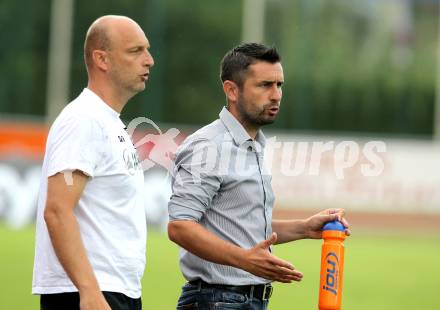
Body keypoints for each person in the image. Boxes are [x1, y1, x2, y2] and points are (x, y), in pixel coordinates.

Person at [167, 43, 350, 309]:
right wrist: (244, 259)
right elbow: (180, 226)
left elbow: (240, 226)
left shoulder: (253, 144)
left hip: (245, 300)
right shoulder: (209, 147)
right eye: (265, 85)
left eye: (279, 85)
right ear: (231, 90)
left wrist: (304, 227)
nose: (276, 95)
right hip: (216, 300)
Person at [32, 15, 154, 310]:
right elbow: (57, 209)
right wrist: (88, 290)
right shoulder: (84, 120)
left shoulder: (107, 122)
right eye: (135, 51)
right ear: (102, 59)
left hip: (114, 290)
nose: (149, 60)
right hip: (88, 292)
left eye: (147, 50)